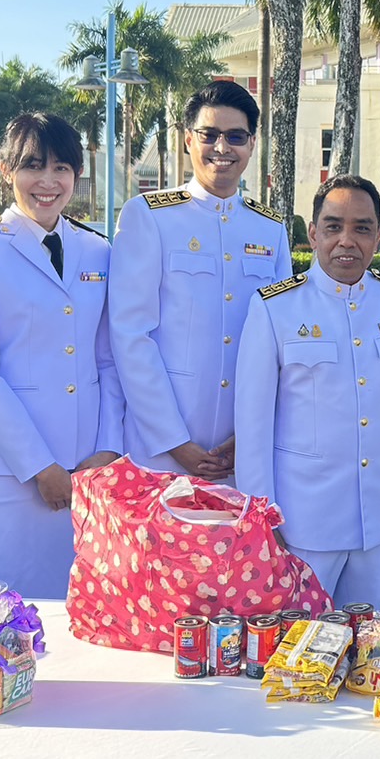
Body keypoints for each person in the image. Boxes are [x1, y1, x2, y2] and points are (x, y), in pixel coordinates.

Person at [235, 174, 380, 610]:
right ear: (313, 234)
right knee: (302, 641)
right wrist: (260, 514)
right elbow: (253, 427)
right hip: (304, 521)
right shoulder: (275, 307)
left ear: (377, 235)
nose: (347, 240)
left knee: (374, 641)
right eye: (333, 226)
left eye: (361, 228)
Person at [0, 113, 125, 599]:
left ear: (76, 175)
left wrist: (107, 450)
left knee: (86, 607)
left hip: (89, 468)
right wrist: (40, 467)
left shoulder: (97, 250)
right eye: (32, 166)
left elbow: (108, 361)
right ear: (6, 170)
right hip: (12, 472)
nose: (48, 181)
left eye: (61, 168)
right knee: (5, 610)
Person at [110, 80, 291, 477]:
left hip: (241, 453)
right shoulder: (150, 215)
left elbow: (282, 340)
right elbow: (130, 335)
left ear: (252, 144)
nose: (222, 148)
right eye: (209, 135)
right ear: (189, 139)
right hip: (160, 451)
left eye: (236, 137)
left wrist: (251, 433)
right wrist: (174, 441)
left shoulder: (269, 228)